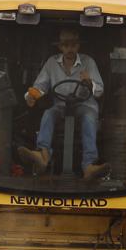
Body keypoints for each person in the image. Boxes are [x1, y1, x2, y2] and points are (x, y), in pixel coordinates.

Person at [17, 28, 109, 180]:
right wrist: (31, 96)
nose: (70, 49)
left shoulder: (88, 62)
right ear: (60, 47)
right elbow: (40, 86)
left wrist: (89, 83)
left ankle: (89, 165)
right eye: (66, 45)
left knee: (89, 118)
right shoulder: (51, 63)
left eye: (73, 45)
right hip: (61, 105)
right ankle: (42, 155)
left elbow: (99, 90)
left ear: (78, 46)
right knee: (48, 114)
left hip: (84, 105)